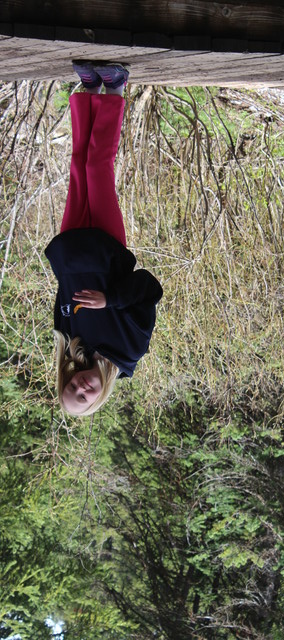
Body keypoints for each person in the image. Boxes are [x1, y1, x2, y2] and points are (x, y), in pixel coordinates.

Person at [45, 61, 163, 416]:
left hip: (72, 245)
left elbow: (63, 294)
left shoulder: (69, 343)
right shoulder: (130, 350)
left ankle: (89, 90)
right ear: (98, 400)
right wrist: (109, 299)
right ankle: (115, 89)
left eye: (71, 387)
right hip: (107, 247)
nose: (79, 386)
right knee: (98, 166)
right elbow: (148, 288)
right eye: (83, 397)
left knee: (78, 163)